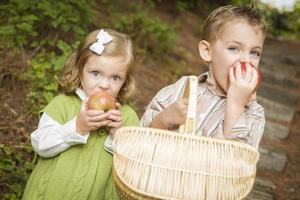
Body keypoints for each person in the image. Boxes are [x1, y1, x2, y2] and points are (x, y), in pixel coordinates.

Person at [23, 29, 139, 200]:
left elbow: (134, 166)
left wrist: (118, 135)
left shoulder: (127, 117)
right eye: (96, 73)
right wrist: (77, 128)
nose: (104, 85)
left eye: (115, 78)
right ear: (79, 70)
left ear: (125, 81)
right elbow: (41, 145)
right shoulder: (62, 104)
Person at [140, 5, 267, 149]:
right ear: (207, 51)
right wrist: (164, 118)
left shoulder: (254, 113)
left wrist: (236, 104)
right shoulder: (183, 88)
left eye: (254, 53)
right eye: (234, 48)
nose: (246, 60)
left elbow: (237, 162)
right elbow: (141, 137)